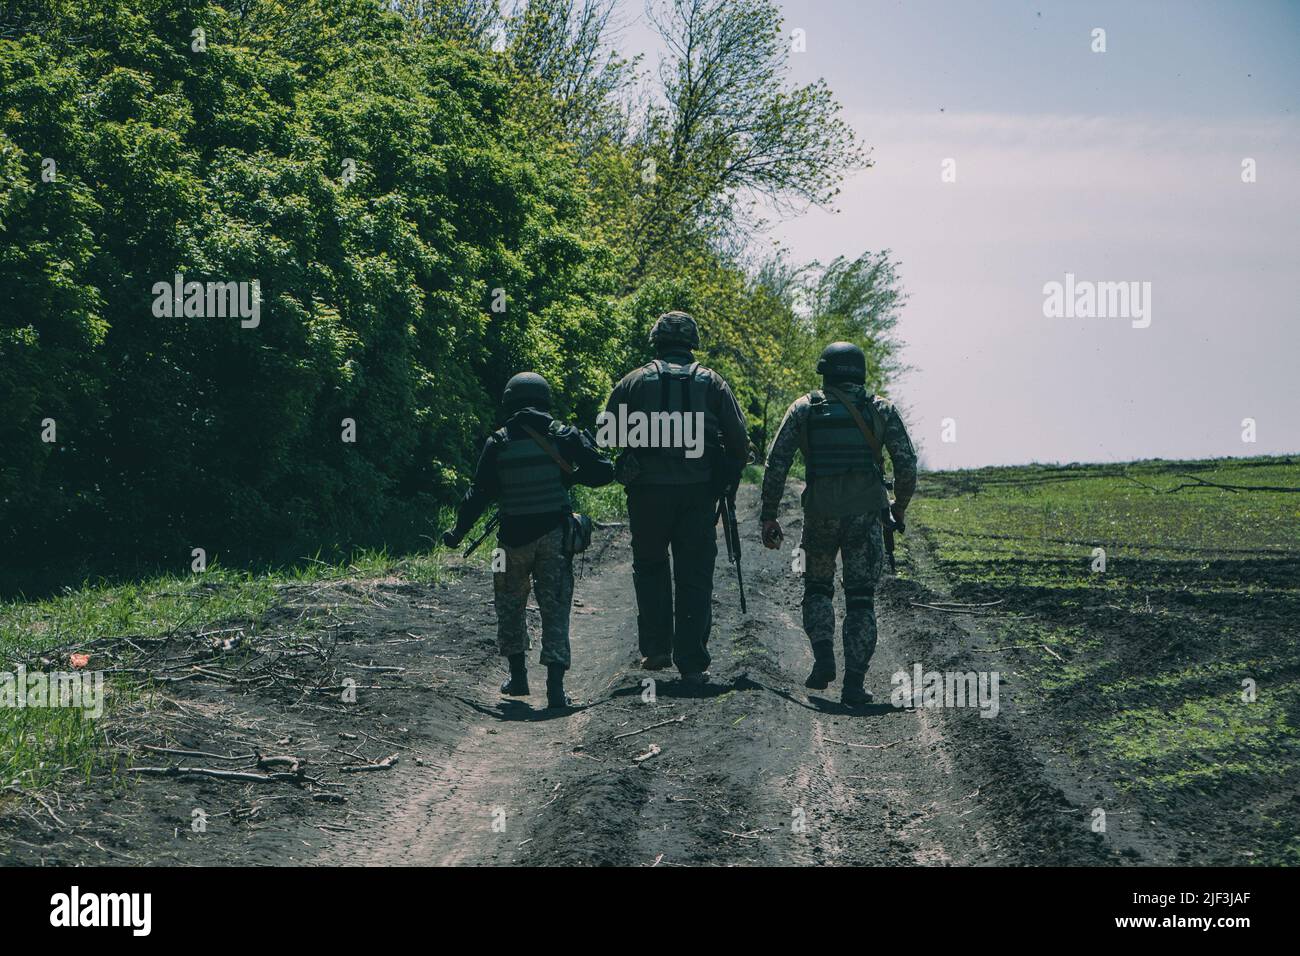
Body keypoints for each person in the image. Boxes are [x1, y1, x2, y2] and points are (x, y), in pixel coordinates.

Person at [759, 342, 917, 707]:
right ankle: (854, 685)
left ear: (825, 371)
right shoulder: (881, 409)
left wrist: (770, 514)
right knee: (860, 599)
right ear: (860, 372)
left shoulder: (805, 408)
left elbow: (776, 462)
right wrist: (898, 509)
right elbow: (906, 465)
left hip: (820, 513)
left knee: (817, 588)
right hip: (866, 515)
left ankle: (823, 655)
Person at [442, 372, 613, 708]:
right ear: (544, 399)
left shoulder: (499, 441)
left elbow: (478, 493)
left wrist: (458, 532)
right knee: (556, 608)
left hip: (510, 541)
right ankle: (554, 688)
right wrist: (573, 475)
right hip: (554, 537)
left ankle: (518, 678)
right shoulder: (563, 434)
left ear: (509, 401)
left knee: (509, 607)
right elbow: (604, 471)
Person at [603, 311, 749, 687]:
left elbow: (607, 434)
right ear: (691, 342)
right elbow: (739, 443)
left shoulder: (633, 381)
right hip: (699, 493)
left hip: (648, 493)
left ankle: (655, 649)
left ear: (657, 340)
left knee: (650, 566)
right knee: (695, 573)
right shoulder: (712, 383)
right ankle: (692, 662)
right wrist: (726, 485)